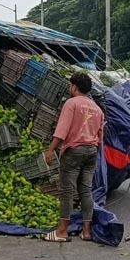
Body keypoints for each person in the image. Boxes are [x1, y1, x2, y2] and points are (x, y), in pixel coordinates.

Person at [44, 71, 104, 243]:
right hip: (91, 151)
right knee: (85, 190)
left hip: (73, 151)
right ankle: (86, 231)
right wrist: (95, 155)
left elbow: (62, 131)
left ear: (75, 86)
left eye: (71, 85)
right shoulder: (97, 109)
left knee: (67, 192)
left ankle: (62, 231)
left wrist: (50, 150)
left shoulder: (71, 104)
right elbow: (100, 137)